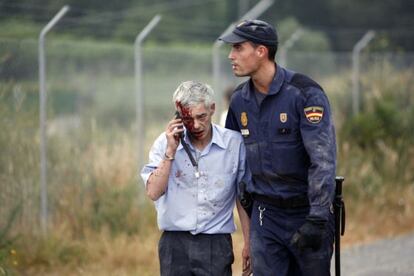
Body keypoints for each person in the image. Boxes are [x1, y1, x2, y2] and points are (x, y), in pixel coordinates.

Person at [219, 19, 337, 276]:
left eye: (238, 48)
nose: (231, 55)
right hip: (266, 215)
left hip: (307, 211)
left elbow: (323, 160)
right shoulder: (239, 101)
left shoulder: (305, 94)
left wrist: (317, 218)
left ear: (261, 51)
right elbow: (229, 159)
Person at [141, 80, 251, 276]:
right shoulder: (164, 144)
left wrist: (249, 243)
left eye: (202, 116)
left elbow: (242, 199)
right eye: (188, 119)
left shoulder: (233, 144)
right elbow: (153, 192)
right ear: (178, 116)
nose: (197, 125)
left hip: (215, 243)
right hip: (175, 244)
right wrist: (170, 152)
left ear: (212, 109)